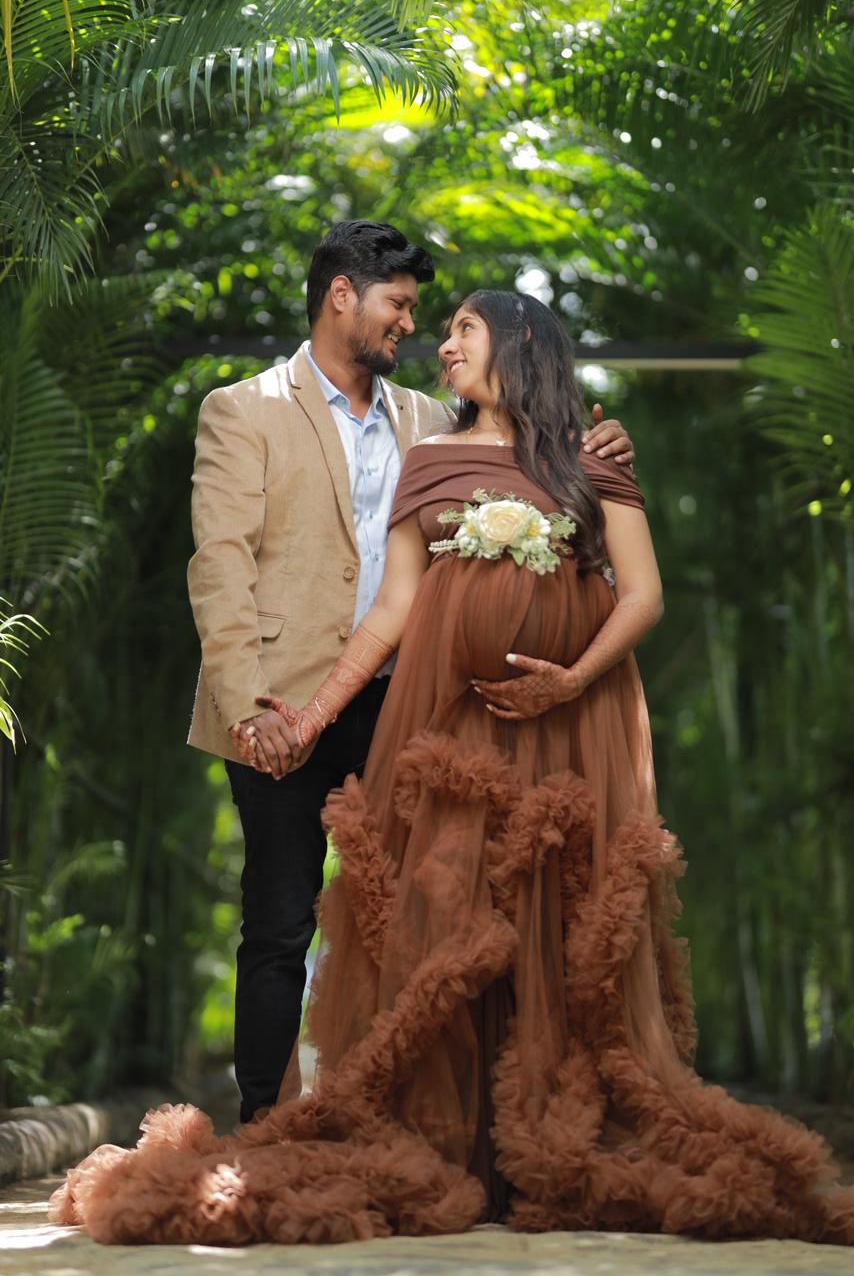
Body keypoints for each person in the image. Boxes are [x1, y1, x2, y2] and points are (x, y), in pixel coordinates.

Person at [51, 290, 854, 1246]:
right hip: (452, 742)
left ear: (516, 345)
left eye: (461, 330)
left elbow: (642, 594)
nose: (442, 346)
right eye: (440, 331)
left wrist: (572, 678)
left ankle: (554, 1135)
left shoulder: (591, 463)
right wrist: (310, 713)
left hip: (571, 732)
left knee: (559, 925)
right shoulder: (428, 459)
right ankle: (457, 1142)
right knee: (451, 929)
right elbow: (392, 608)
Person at [183, 221, 634, 1126]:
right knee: (279, 923)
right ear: (342, 296)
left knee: (407, 921)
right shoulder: (245, 408)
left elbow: (532, 451)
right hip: (281, 705)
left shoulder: (432, 420)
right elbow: (218, 566)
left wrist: (605, 445)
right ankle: (267, 1120)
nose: (411, 328)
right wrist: (252, 713)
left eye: (423, 313)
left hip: (415, 713)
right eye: (398, 305)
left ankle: (386, 1112)